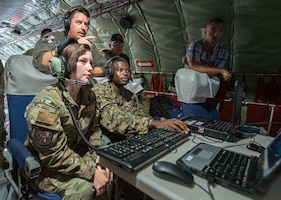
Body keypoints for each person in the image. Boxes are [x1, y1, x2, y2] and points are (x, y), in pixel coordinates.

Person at [24, 38, 112, 199]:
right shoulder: (46, 104)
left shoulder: (88, 95)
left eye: (91, 63)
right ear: (63, 67)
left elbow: (93, 130)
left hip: (78, 158)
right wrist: (92, 172)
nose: (90, 68)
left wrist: (101, 157)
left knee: (109, 172)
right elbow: (54, 155)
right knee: (84, 189)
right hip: (47, 168)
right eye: (83, 62)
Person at [92, 56, 189, 143]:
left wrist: (161, 128)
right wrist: (155, 123)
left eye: (128, 70)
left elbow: (142, 114)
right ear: (110, 73)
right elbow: (115, 119)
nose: (125, 73)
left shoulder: (129, 95)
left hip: (131, 138)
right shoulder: (100, 91)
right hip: (112, 141)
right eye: (120, 70)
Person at [32, 5, 106, 76]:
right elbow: (39, 62)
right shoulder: (53, 37)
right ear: (68, 23)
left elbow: (105, 67)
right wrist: (68, 47)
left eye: (86, 24)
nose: (84, 28)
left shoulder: (88, 45)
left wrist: (86, 71)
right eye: (79, 22)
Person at [181, 17, 232, 118]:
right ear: (205, 31)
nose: (216, 34)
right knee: (194, 122)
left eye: (220, 31)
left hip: (208, 92)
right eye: (213, 30)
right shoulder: (195, 45)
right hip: (190, 93)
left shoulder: (223, 51)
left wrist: (193, 65)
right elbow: (195, 66)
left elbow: (212, 73)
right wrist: (221, 70)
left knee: (213, 121)